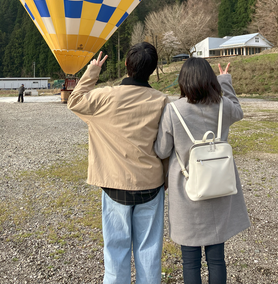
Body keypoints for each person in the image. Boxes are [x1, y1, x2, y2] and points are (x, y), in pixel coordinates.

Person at [67, 43, 168, 284]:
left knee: (115, 250)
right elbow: (166, 146)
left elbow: (74, 100)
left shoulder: (105, 96)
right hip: (150, 185)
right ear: (153, 70)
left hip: (113, 185)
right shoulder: (162, 101)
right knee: (149, 251)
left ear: (126, 65)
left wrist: (93, 71)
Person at [154, 58, 250, 284]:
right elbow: (239, 111)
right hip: (219, 188)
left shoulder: (173, 111)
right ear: (210, 81)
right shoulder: (223, 107)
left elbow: (161, 150)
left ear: (182, 81)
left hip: (187, 193)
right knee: (217, 259)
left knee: (190, 262)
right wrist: (225, 81)